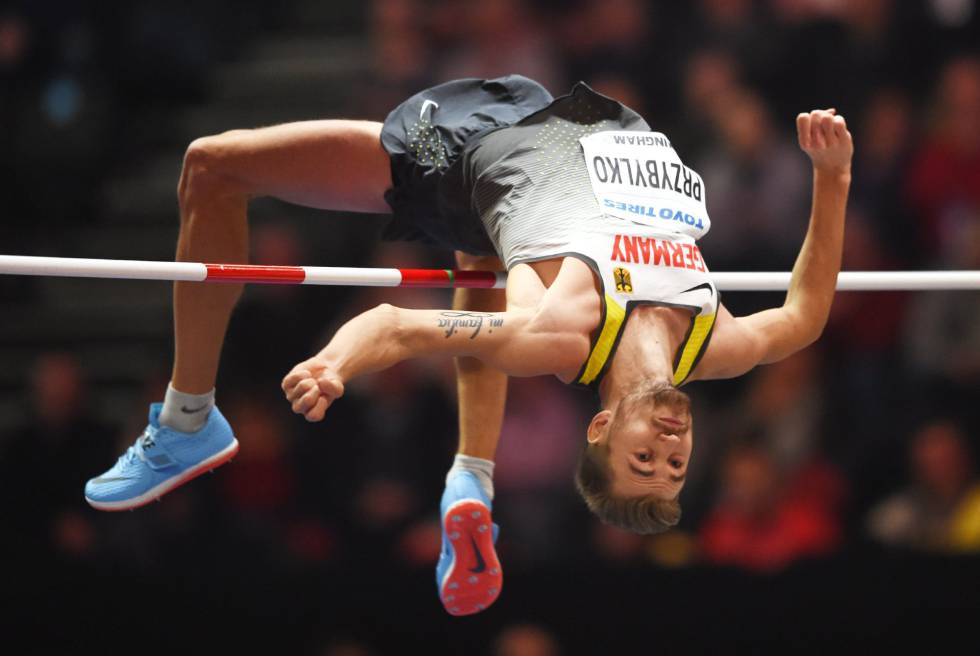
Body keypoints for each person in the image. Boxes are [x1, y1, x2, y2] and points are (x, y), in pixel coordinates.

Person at [85, 75, 853, 616]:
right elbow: (806, 315)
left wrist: (333, 365)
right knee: (483, 258)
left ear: (602, 427)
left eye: (641, 459)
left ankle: (188, 421)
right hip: (569, 126)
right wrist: (832, 178)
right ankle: (470, 481)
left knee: (211, 166)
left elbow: (394, 326)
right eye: (675, 466)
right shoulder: (716, 345)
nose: (667, 447)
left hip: (473, 152)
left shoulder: (556, 330)